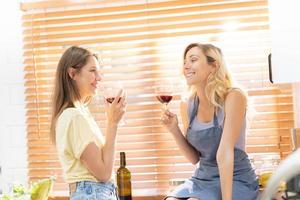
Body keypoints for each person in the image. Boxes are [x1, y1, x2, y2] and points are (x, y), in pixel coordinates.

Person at [162, 43, 259, 200]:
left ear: (213, 66)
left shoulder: (234, 97)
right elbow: (194, 158)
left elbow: (224, 152)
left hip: (235, 178)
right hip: (203, 179)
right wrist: (174, 129)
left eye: (193, 60)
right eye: (185, 61)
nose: (186, 66)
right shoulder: (187, 104)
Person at [50, 46, 126, 200]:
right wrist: (112, 123)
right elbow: (104, 173)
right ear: (72, 73)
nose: (99, 77)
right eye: (92, 71)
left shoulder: (81, 114)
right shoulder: (73, 117)